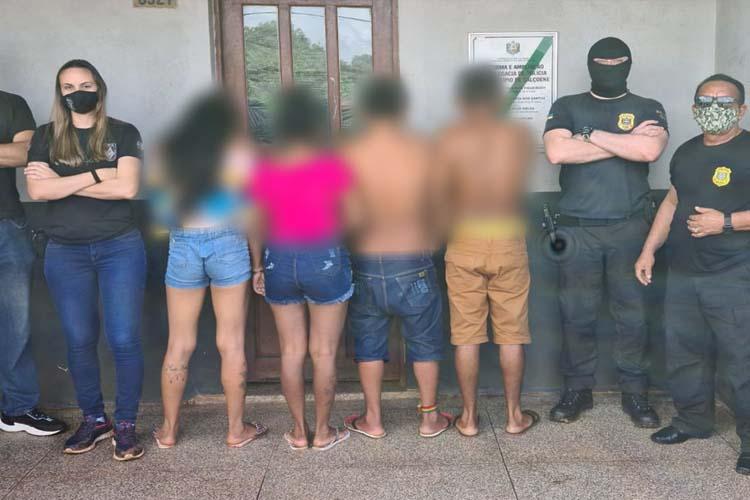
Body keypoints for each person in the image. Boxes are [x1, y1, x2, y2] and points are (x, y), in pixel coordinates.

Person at [543, 37, 668, 426]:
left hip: (630, 229)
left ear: (629, 65)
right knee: (575, 315)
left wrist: (587, 134)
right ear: (589, 64)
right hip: (577, 231)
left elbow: (650, 152)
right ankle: (577, 390)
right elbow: (557, 152)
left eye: (617, 63)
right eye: (602, 62)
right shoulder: (567, 105)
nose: (609, 68)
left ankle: (635, 393)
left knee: (633, 317)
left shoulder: (648, 107)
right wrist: (626, 142)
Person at [24, 59, 146, 461]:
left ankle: (125, 424)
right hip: (65, 252)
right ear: (60, 94)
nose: (78, 92)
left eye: (86, 84)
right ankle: (94, 419)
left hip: (119, 248)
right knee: (79, 340)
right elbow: (38, 193)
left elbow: (127, 188)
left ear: (100, 88)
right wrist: (98, 175)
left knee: (123, 339)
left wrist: (62, 183)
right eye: (69, 86)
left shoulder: (123, 132)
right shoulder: (45, 136)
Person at [635, 74, 750, 476]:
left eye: (724, 101)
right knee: (685, 354)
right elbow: (672, 202)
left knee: (741, 361)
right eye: (706, 100)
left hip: (734, 274)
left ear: (741, 109)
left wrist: (727, 222)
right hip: (684, 273)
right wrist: (649, 250)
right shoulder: (686, 152)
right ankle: (693, 421)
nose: (714, 108)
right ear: (694, 108)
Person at [151, 91, 267, 449]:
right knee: (231, 343)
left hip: (183, 243)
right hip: (228, 242)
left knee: (179, 343)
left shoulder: (171, 153)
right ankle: (236, 430)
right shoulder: (239, 155)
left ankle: (169, 431)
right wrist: (258, 264)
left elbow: (162, 212)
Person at [342, 77, 452, 440]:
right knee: (425, 343)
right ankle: (429, 419)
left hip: (367, 261)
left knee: (369, 345)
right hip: (413, 260)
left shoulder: (352, 152)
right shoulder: (422, 150)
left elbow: (347, 214)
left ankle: (373, 420)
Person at [436, 66, 538, 436]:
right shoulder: (517, 137)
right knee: (512, 335)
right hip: (508, 238)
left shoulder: (449, 139)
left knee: (466, 336)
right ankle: (514, 417)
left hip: (465, 239)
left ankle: (468, 418)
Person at [248, 86, 352, 451]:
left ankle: (297, 431)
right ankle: (322, 432)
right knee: (324, 352)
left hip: (278, 257)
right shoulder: (331, 165)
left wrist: (257, 268)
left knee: (291, 351)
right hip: (324, 255)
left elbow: (255, 222)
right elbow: (352, 215)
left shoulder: (266, 168)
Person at [0, 90, 67, 437]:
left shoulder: (10, 104)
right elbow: (9, 152)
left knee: (16, 324)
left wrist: (14, 152)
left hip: (7, 225)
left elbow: (25, 152)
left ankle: (18, 408)